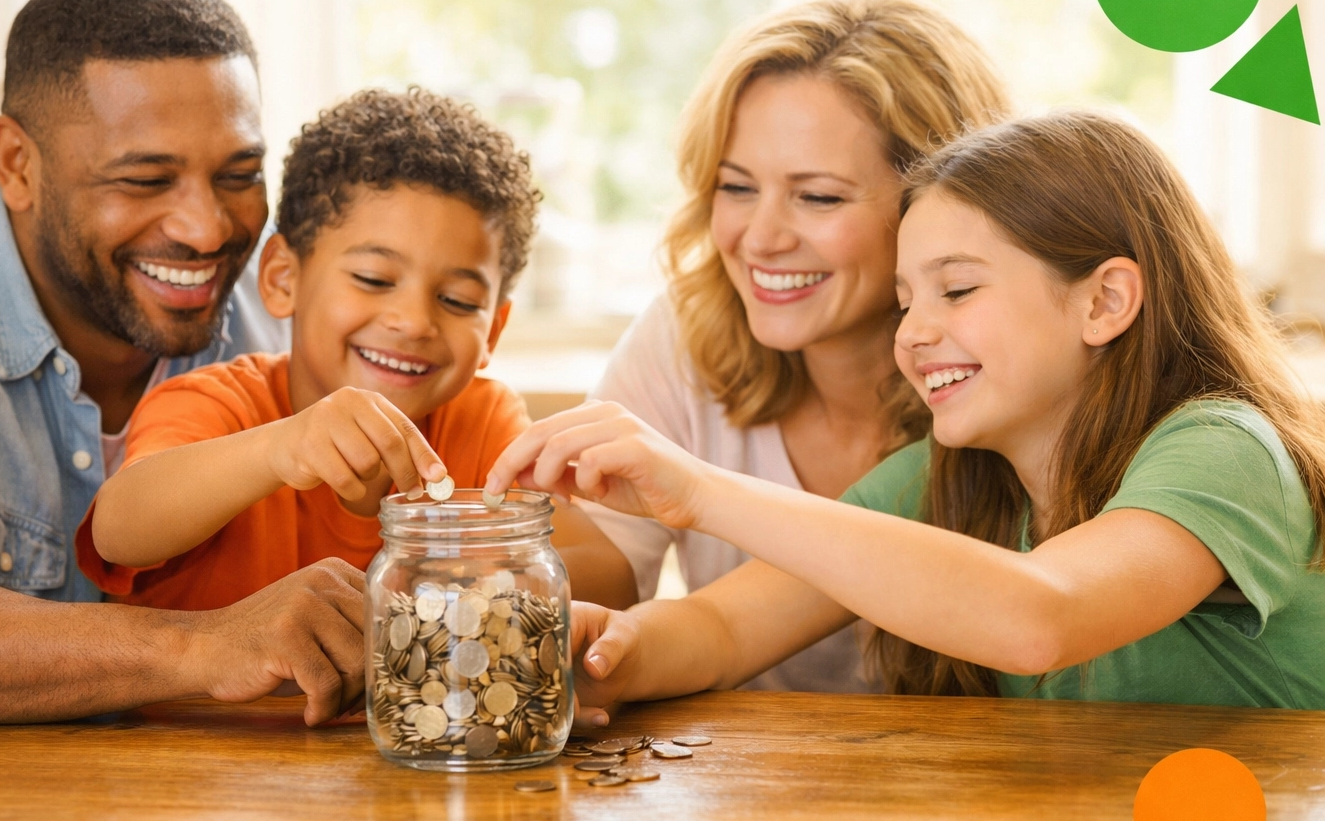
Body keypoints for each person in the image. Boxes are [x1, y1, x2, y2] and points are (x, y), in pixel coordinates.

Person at [492, 110, 1325, 713]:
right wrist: (615, 654)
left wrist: (699, 491)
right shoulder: (943, 480)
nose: (914, 333)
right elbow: (723, 628)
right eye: (904, 301)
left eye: (956, 290)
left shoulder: (1225, 449)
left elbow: (1042, 615)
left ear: (1104, 301)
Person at [0, 0, 361, 725]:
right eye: (145, 180)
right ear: (17, 165)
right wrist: (201, 646)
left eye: (239, 174)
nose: (207, 230)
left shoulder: (285, 288)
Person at [566, 0, 1010, 691]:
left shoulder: (1005, 375)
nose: (762, 239)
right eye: (737, 187)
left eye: (818, 197)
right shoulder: (686, 333)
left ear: (940, 204)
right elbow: (636, 593)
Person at [76, 87, 616, 608]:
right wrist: (279, 449)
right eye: (373, 279)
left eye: (457, 300)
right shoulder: (217, 404)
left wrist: (448, 591)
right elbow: (117, 529)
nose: (414, 322)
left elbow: (610, 576)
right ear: (283, 278)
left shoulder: (481, 422)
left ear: (493, 331)